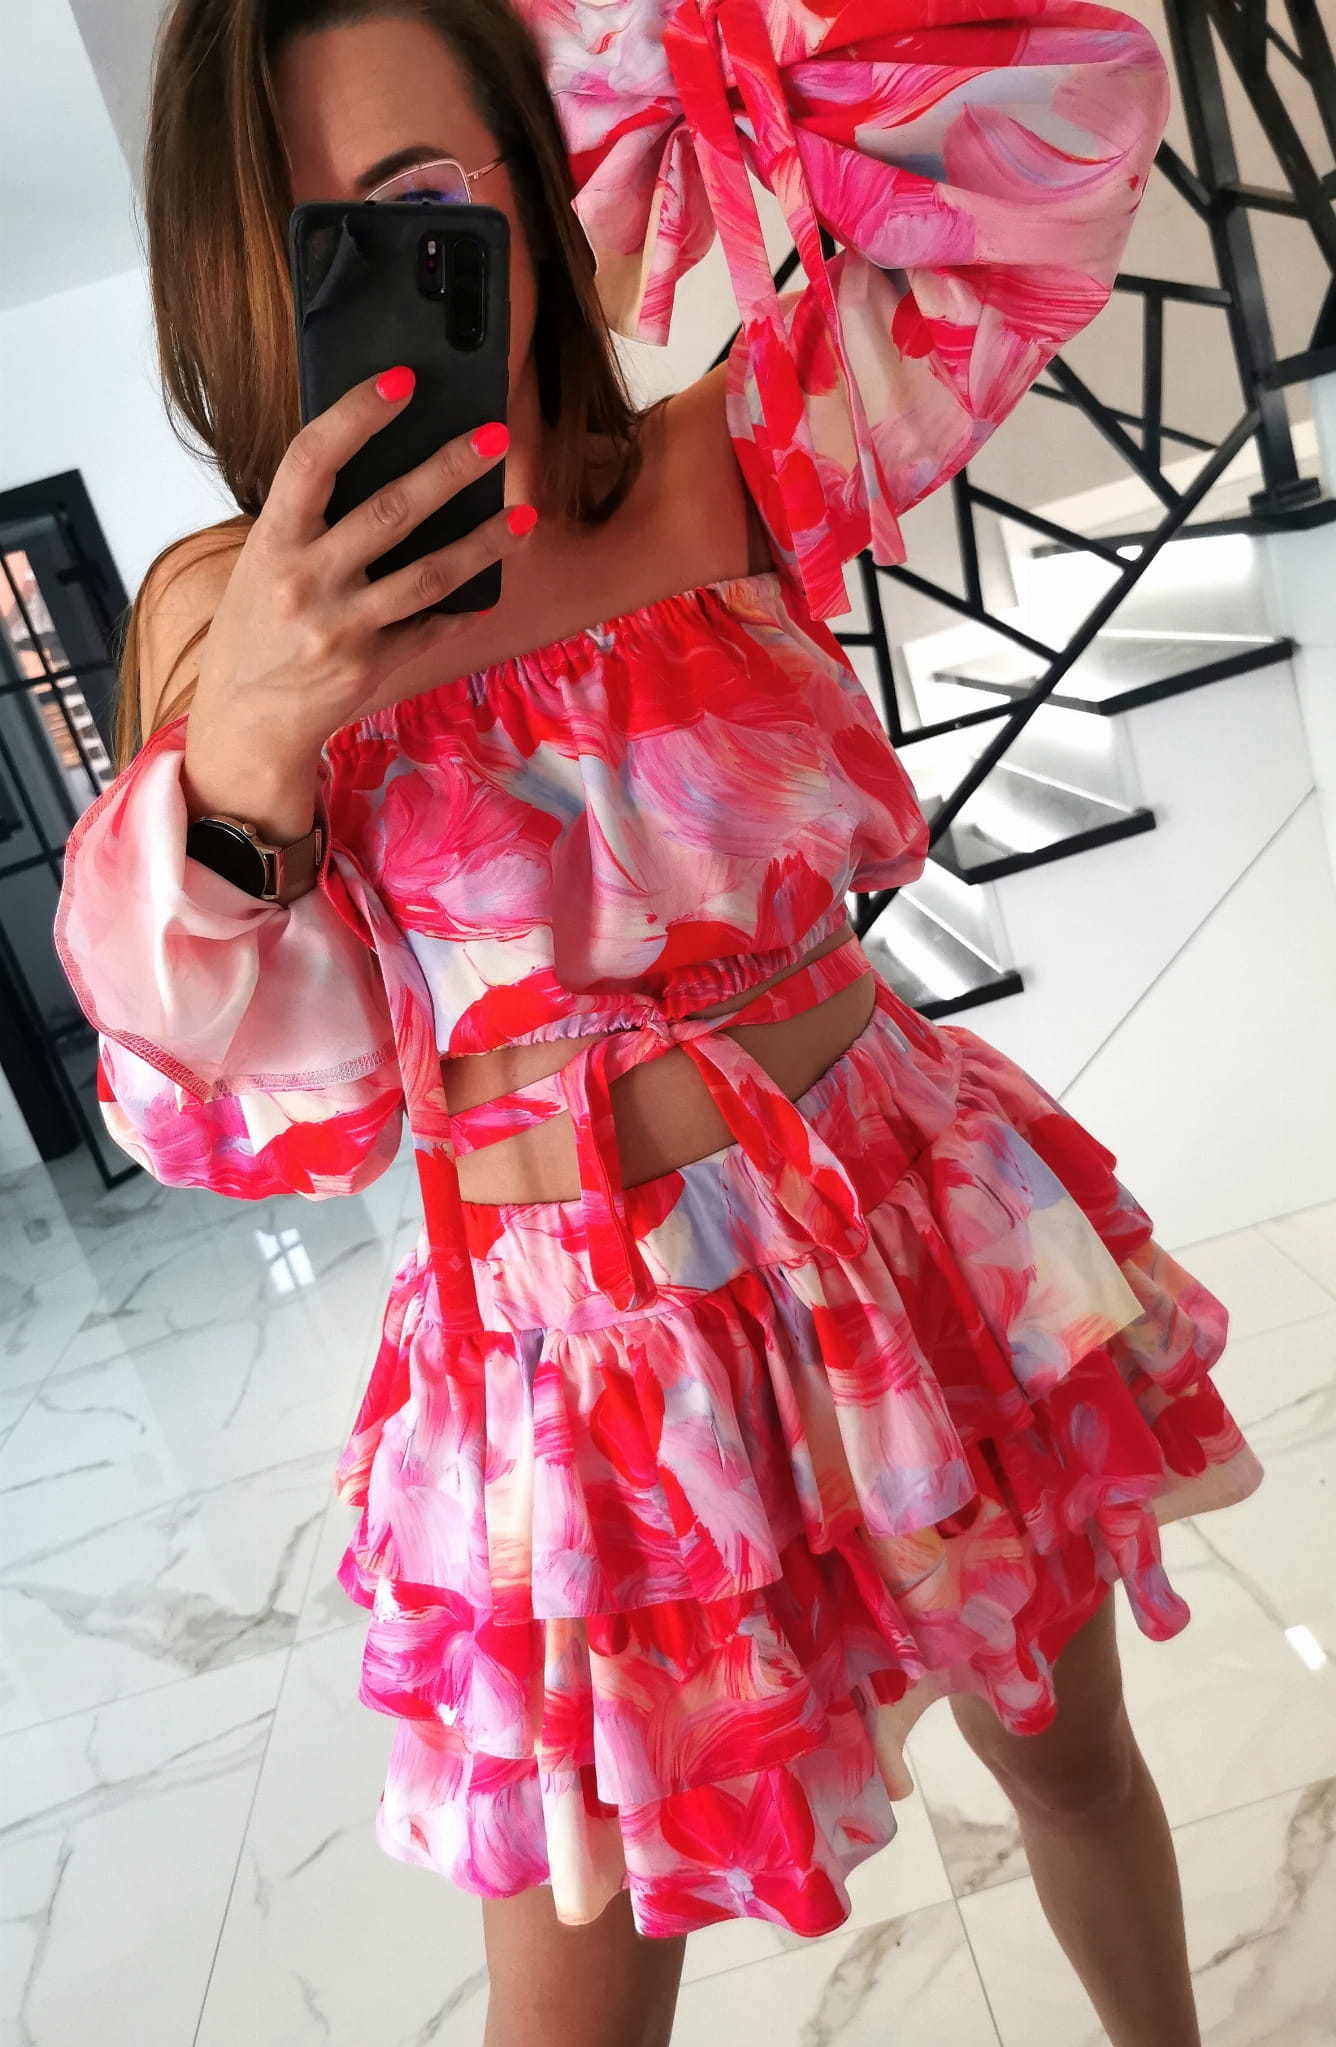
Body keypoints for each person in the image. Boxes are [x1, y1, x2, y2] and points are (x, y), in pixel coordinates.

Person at [55, 3, 1264, 2043]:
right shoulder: (218, 616)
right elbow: (229, 1115)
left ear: (538, 172)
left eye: (430, 196)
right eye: (311, 236)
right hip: (574, 1378)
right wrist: (254, 741)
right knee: (577, 1994)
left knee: (1068, 1761)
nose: (388, 273)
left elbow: (1059, 123)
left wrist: (674, 36)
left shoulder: (739, 454)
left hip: (906, 1250)